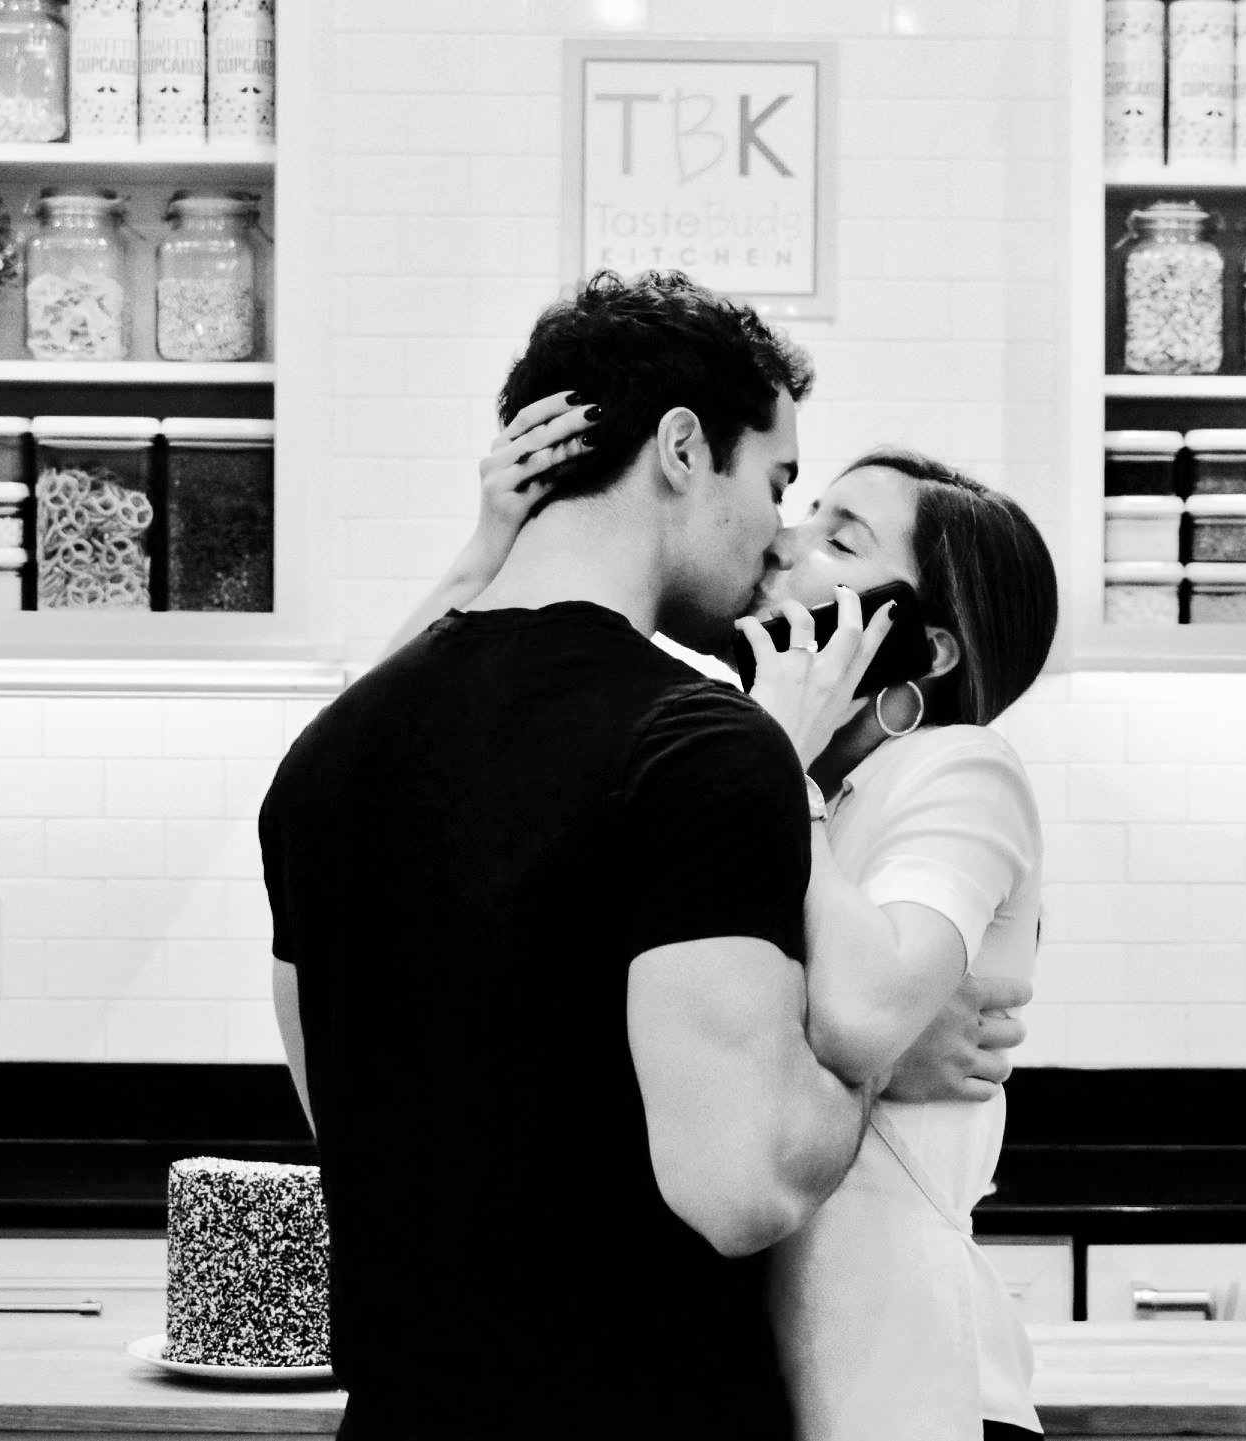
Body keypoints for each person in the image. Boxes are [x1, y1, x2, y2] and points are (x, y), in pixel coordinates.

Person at [259, 269, 1025, 1441]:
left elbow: (362, 1104)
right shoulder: (706, 748)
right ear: (681, 449)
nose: (780, 530)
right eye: (777, 483)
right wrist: (876, 1057)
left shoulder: (324, 759)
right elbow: (744, 1188)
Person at [496, 426, 1059, 1441]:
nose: (786, 546)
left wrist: (778, 768)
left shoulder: (959, 767)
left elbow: (861, 1013)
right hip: (767, 1378)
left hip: (908, 1379)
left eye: (841, 545)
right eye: (805, 518)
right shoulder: (778, 769)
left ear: (924, 646)